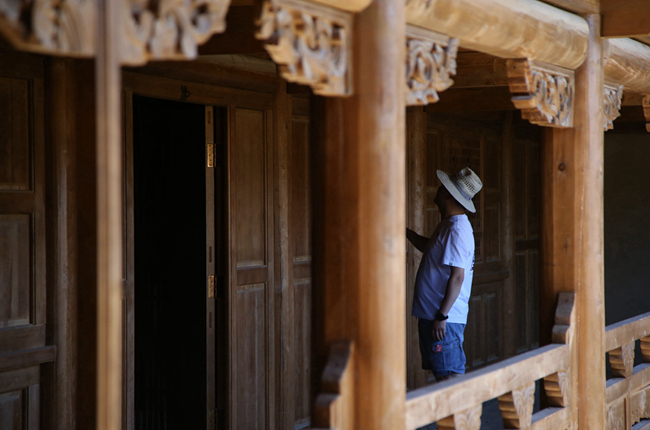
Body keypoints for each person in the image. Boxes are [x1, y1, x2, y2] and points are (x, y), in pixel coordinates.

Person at [406, 167, 482, 381]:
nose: (438, 190)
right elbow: (429, 247)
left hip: (444, 319)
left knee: (449, 379)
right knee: (442, 376)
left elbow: (458, 277)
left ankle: (460, 416)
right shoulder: (448, 225)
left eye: (442, 187)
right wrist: (405, 232)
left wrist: (442, 315)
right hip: (434, 316)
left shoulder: (457, 229)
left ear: (448, 195)